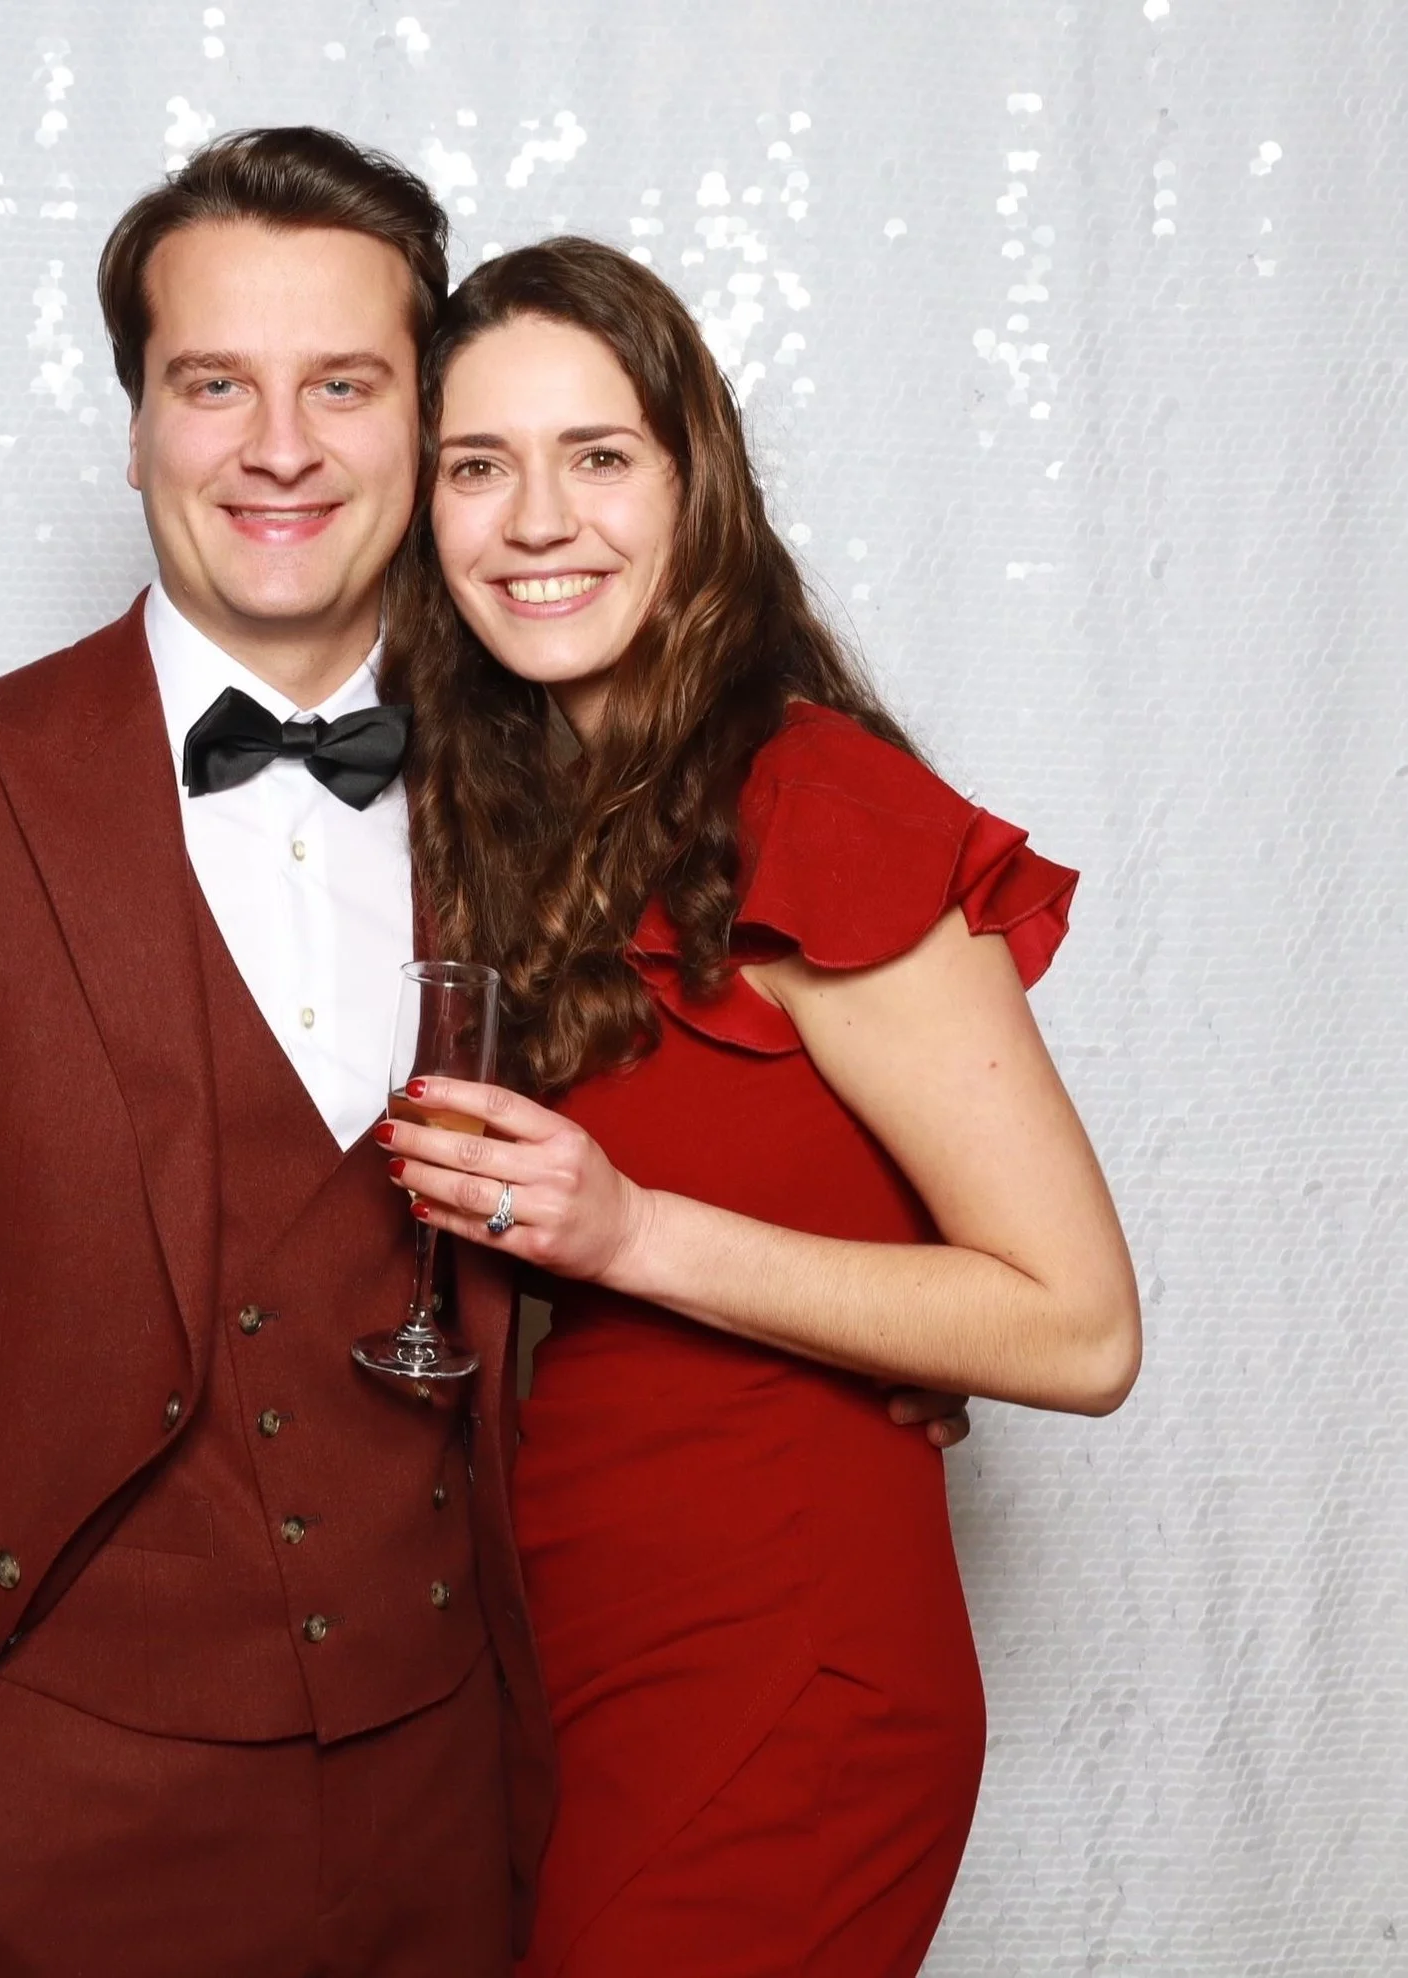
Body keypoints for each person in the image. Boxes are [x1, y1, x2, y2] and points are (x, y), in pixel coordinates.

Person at [0, 129, 550, 1975]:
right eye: (214, 380)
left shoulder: (544, 800)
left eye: (344, 384)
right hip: (50, 1822)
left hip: (464, 1804)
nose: (278, 443)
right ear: (135, 418)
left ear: (424, 424)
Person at [378, 237, 1142, 1976]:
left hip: (773, 1668)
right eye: (477, 466)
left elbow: (1080, 1325)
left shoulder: (811, 802)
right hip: (547, 1646)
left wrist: (635, 1233)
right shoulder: (489, 823)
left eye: (600, 455)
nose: (536, 518)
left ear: (692, 483)